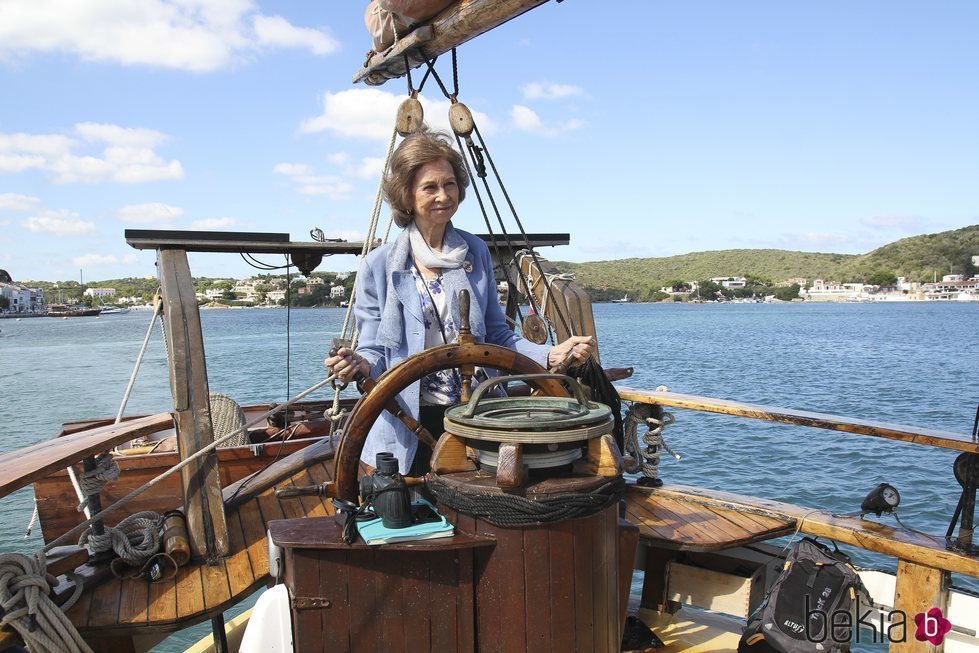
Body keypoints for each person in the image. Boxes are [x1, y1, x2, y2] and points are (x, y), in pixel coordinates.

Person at [326, 128, 594, 475]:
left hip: (476, 414)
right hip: (407, 418)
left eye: (449, 184)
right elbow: (376, 350)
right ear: (407, 196)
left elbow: (497, 337)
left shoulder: (475, 252)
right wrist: (358, 363)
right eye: (430, 187)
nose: (443, 195)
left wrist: (551, 354)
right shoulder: (378, 266)